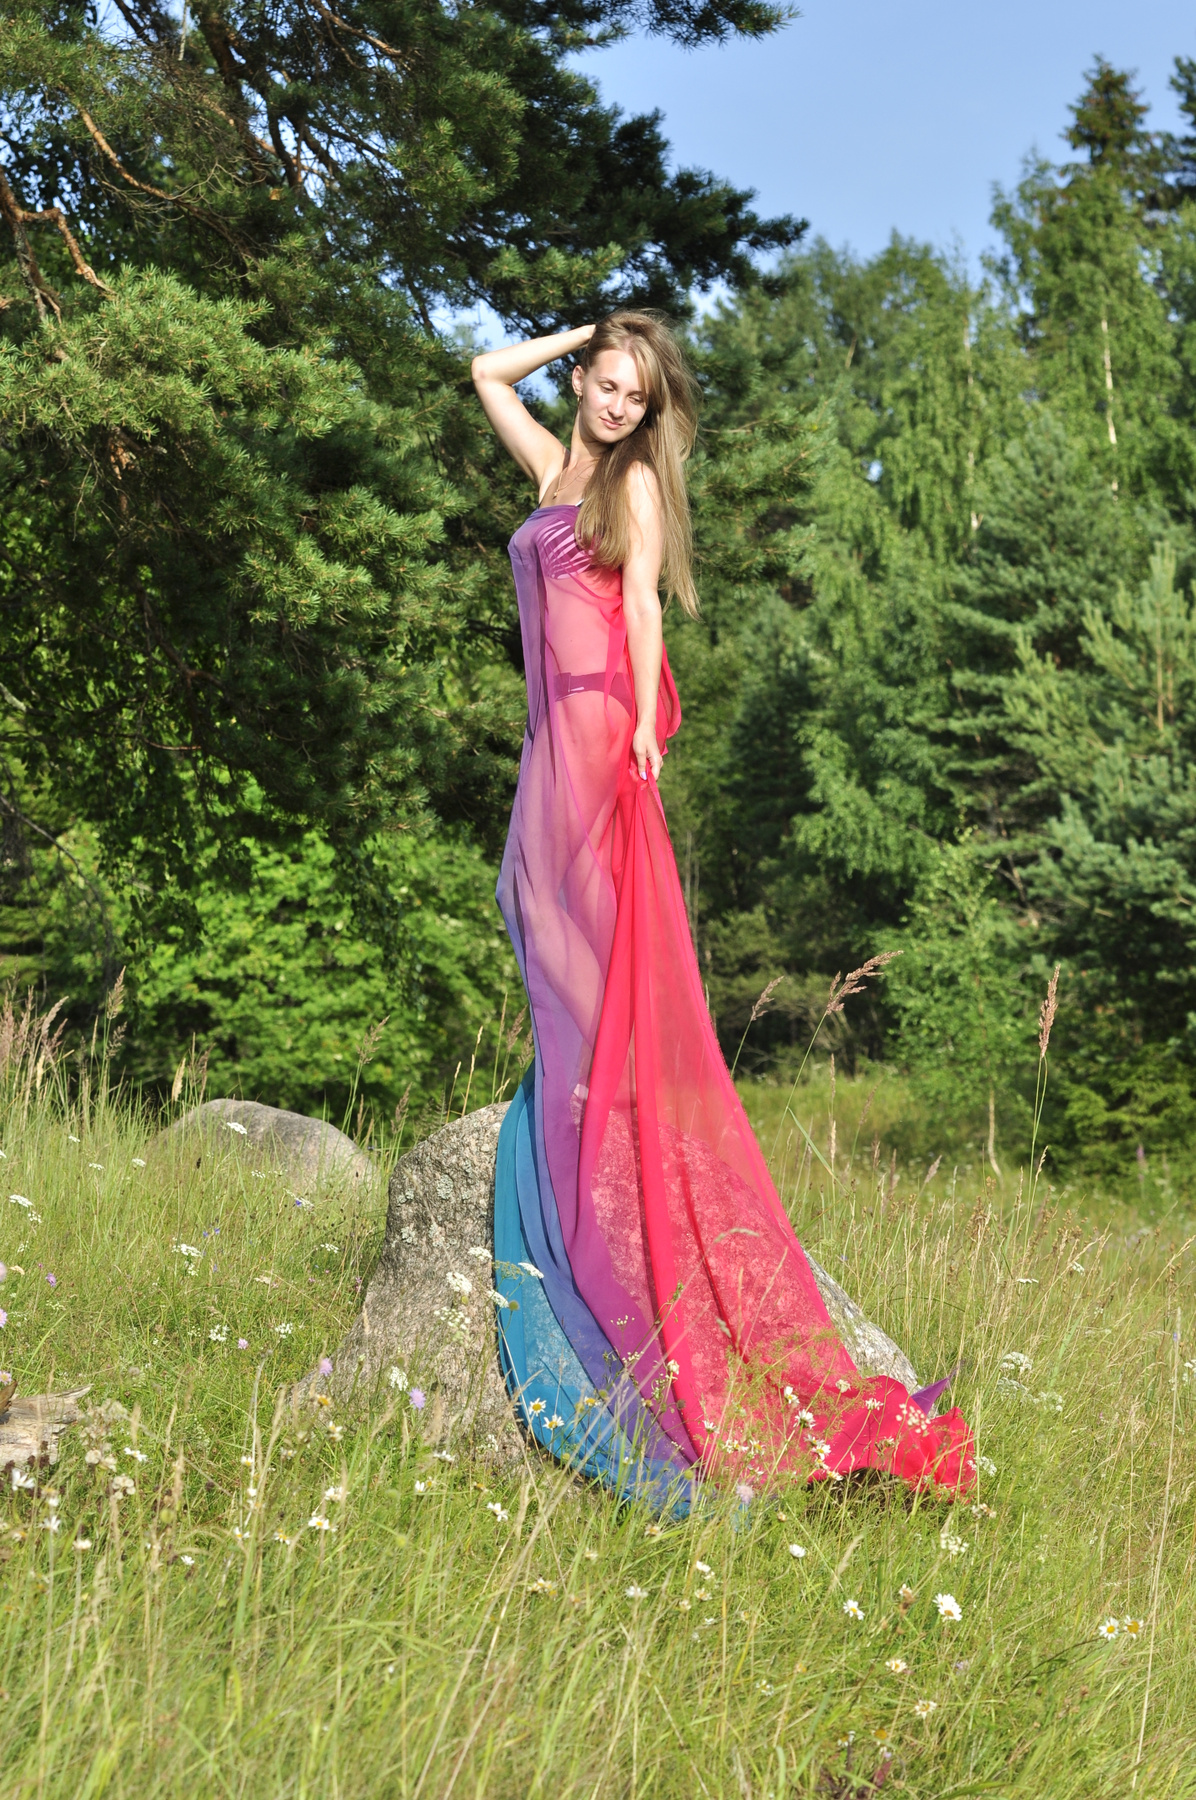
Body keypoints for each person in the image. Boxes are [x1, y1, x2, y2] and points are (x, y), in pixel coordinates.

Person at [472, 312, 974, 1505]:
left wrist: (647, 722)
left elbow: (642, 605)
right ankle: (589, 1086)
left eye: (635, 396)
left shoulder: (631, 488)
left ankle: (601, 1104)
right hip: (548, 735)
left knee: (575, 915)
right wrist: (582, 331)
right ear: (584, 380)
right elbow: (484, 369)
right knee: (532, 908)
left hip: (598, 724)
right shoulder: (552, 467)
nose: (616, 406)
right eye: (606, 384)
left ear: (648, 414)